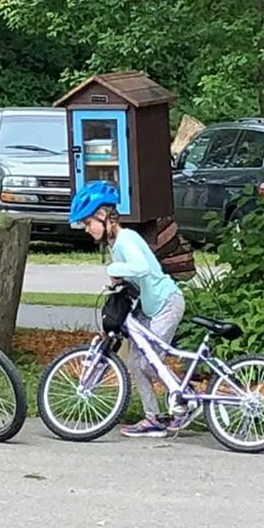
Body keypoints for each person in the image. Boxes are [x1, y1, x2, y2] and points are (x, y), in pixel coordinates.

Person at [69, 180, 200, 437]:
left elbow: (141, 267)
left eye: (87, 223)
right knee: (135, 362)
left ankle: (187, 399)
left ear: (103, 216)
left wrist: (113, 270)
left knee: (149, 362)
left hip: (166, 304)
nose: (86, 229)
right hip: (151, 307)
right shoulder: (116, 244)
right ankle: (152, 417)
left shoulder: (127, 239)